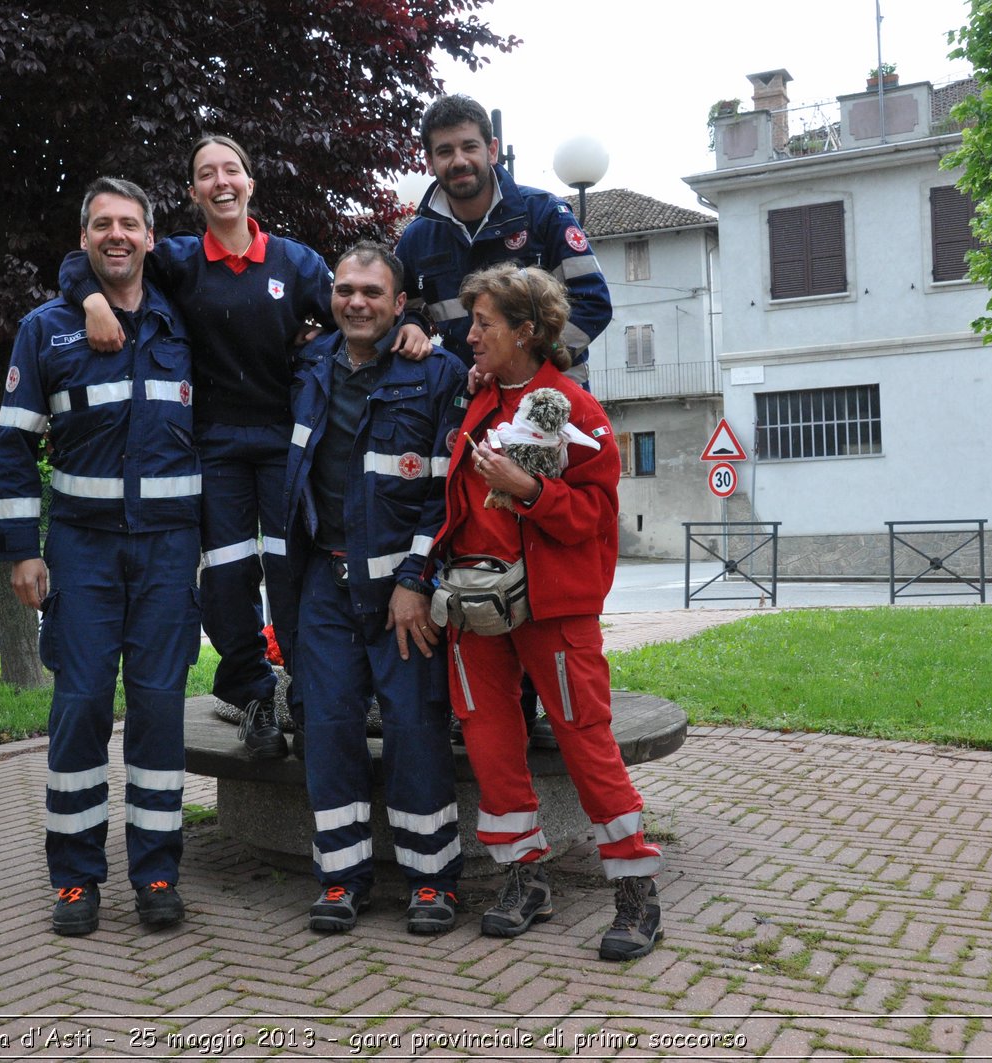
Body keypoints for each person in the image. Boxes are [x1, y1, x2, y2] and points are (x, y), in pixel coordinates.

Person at [60, 136, 429, 760]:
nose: (220, 181)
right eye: (206, 174)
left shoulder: (296, 263)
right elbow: (84, 264)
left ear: (251, 183)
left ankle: (312, 701)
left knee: (290, 575)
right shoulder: (176, 260)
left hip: (289, 448)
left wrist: (411, 325)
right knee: (229, 580)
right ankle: (255, 697)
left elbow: (358, 314)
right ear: (194, 191)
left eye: (231, 170)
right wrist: (94, 301)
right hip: (216, 448)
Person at [432, 263, 664, 961]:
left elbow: (595, 516)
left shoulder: (575, 408)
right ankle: (523, 879)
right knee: (490, 740)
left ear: (527, 331)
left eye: (484, 324)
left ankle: (635, 892)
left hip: (552, 609)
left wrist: (529, 488)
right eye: (470, 321)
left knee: (585, 738)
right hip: (476, 608)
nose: (469, 335)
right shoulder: (478, 399)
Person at [0, 177, 201, 937]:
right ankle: (76, 878)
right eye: (102, 225)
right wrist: (20, 551)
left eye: (130, 224)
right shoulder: (45, 330)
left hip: (170, 550)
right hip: (80, 549)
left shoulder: (188, 323)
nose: (117, 235)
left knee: (157, 711)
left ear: (151, 237)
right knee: (79, 708)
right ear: (82, 241)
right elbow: (13, 445)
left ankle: (156, 871)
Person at [395, 94, 614, 750]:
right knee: (475, 546)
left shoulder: (542, 215)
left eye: (469, 145)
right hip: (463, 418)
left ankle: (541, 697)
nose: (458, 160)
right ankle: (493, 705)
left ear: (491, 149)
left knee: (536, 547)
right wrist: (410, 325)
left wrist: (525, 362)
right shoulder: (416, 237)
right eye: (444, 150)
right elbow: (408, 314)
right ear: (429, 160)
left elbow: (594, 305)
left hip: (540, 411)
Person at [283, 242, 468, 934]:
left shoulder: (436, 371)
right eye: (344, 289)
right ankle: (341, 878)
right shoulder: (307, 367)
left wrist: (417, 579)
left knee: (416, 727)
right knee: (327, 726)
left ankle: (432, 878)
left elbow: (445, 494)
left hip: (401, 588)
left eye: (371, 292)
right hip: (323, 585)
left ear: (399, 305)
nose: (355, 301)